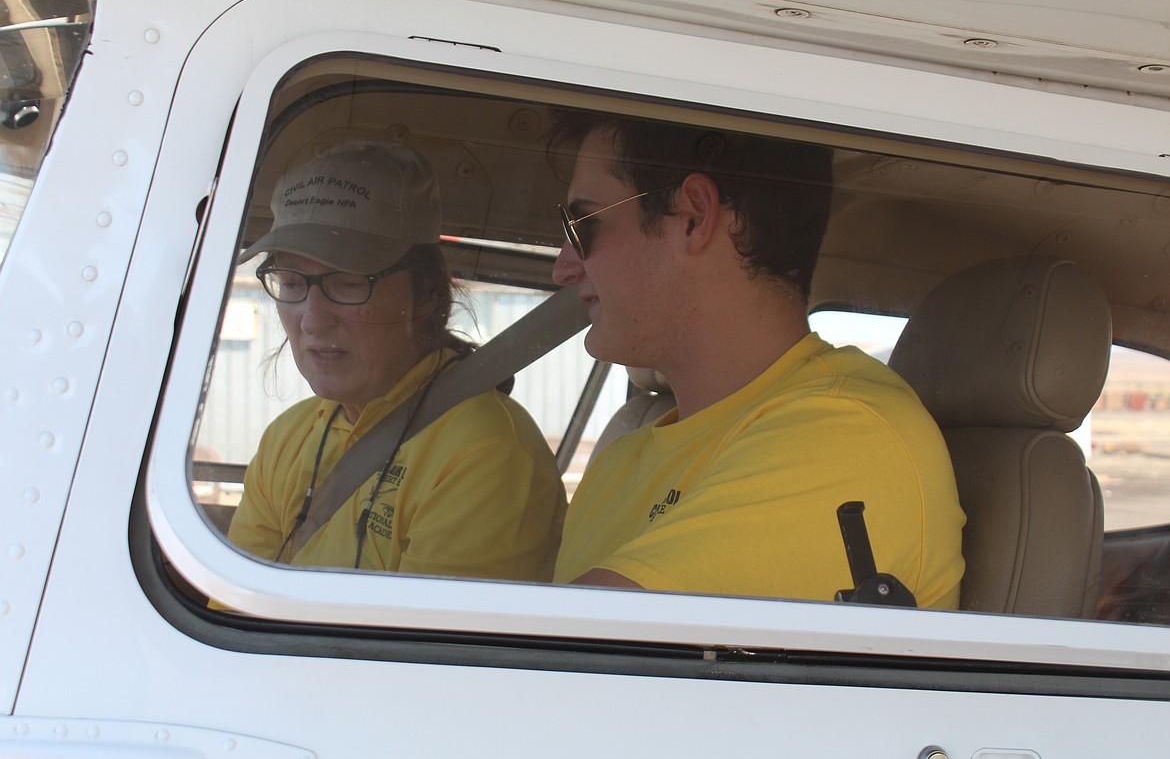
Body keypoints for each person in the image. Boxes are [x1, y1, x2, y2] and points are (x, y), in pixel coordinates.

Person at [548, 113, 966, 607]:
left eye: (583, 225)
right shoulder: (619, 461)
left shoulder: (846, 434)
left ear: (694, 217)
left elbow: (558, 655)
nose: (562, 268)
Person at [227, 140, 565, 581]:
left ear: (427, 295)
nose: (311, 320)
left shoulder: (485, 453)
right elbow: (234, 602)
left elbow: (430, 646)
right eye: (291, 282)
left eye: (347, 284)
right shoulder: (287, 437)